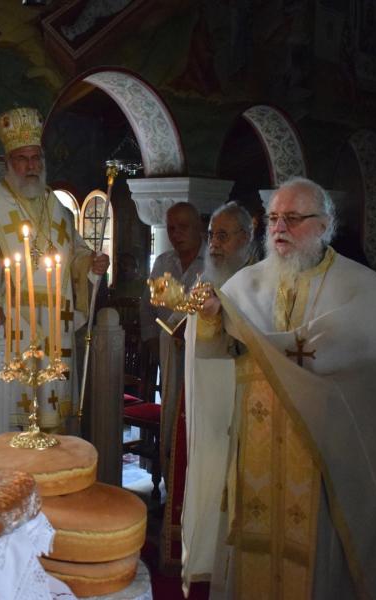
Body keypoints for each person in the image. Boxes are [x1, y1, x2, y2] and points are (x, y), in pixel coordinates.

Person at [188, 177, 376, 599]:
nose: (279, 228)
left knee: (313, 559)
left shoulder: (362, 289)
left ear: (325, 225)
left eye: (293, 219)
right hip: (256, 450)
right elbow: (217, 347)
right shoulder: (246, 284)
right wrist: (207, 318)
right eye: (274, 218)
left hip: (320, 452)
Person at [0, 107, 109, 430]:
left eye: (36, 158)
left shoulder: (58, 208)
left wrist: (91, 263)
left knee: (54, 419)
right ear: (8, 163)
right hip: (15, 322)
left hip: (56, 323)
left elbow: (76, 253)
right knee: (16, 416)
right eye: (22, 159)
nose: (31, 166)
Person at [160, 201, 255, 578]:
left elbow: (254, 337)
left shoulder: (257, 282)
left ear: (246, 238)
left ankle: (227, 556)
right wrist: (186, 310)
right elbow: (187, 323)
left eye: (224, 236)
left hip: (237, 396)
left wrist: (218, 316)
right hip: (202, 390)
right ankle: (198, 548)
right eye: (213, 235)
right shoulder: (208, 279)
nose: (214, 244)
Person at [139, 202, 204, 478]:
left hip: (201, 357)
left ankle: (193, 477)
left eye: (183, 227)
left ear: (199, 227)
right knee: (170, 411)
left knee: (195, 415)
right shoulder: (163, 262)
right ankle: (169, 476)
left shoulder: (213, 263)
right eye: (171, 228)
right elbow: (147, 306)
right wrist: (152, 341)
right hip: (168, 352)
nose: (176, 234)